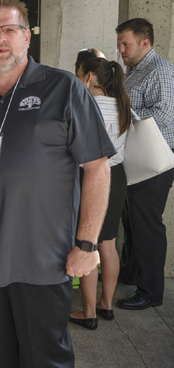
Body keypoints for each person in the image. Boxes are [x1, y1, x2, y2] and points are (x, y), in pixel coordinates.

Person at [0, 0, 114, 368]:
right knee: (3, 358)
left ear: (26, 37)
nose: (0, 38)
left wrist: (87, 243)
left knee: (46, 359)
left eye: (10, 29)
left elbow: (97, 166)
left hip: (46, 262)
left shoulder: (63, 88)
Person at [67, 57, 132, 329]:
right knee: (107, 243)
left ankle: (89, 312)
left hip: (91, 177)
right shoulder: (123, 105)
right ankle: (107, 304)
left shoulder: (86, 105)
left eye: (79, 74)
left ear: (89, 77)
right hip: (117, 177)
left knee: (87, 243)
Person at [116, 18, 174, 310]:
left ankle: (151, 292)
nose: (121, 50)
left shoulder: (159, 69)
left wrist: (122, 112)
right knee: (132, 221)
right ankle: (129, 273)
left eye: (125, 44)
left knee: (147, 224)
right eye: (120, 45)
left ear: (145, 43)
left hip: (154, 160)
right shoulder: (134, 69)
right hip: (137, 157)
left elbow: (164, 116)